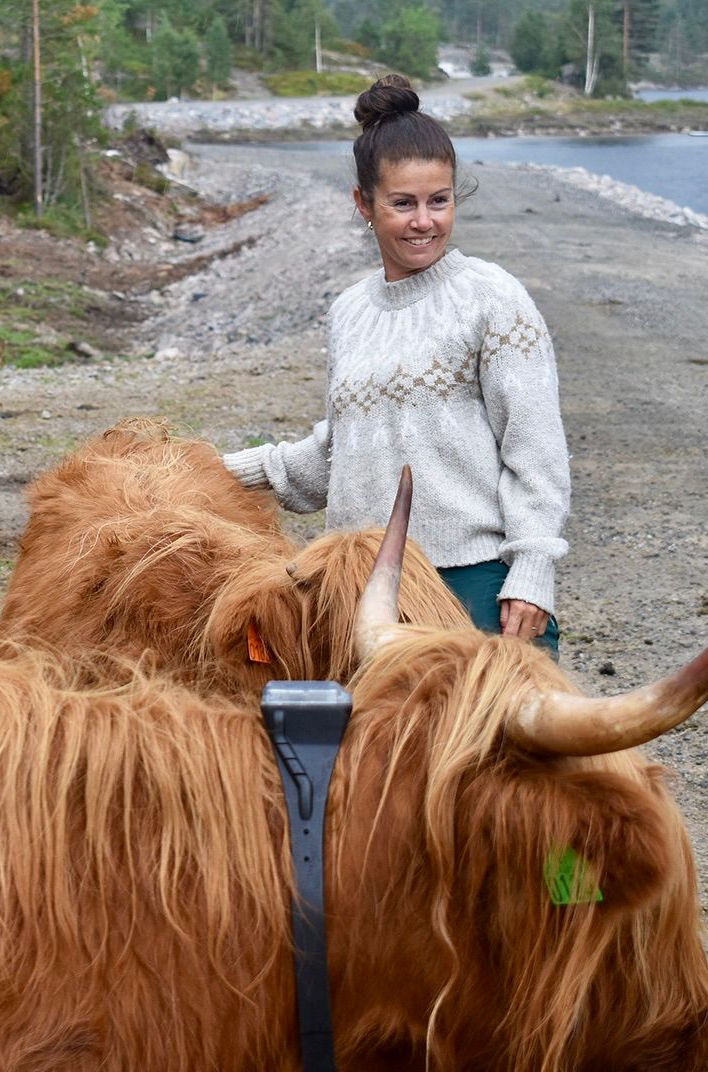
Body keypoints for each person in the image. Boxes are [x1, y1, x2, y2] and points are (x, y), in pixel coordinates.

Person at [222, 73, 570, 654]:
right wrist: (219, 470)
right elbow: (343, 451)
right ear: (364, 203)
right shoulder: (349, 312)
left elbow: (535, 451)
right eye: (403, 203)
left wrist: (532, 571)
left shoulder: (493, 297)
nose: (424, 221)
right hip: (358, 589)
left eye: (440, 200)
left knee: (499, 743)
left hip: (471, 583)